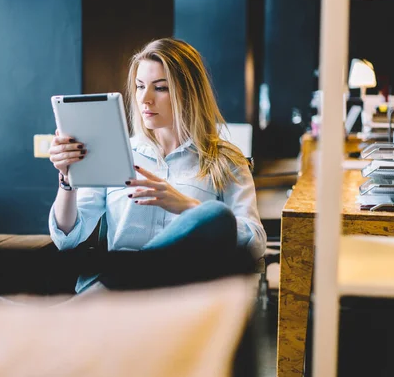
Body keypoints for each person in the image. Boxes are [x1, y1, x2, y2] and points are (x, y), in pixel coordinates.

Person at [48, 37, 266, 294]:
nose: (145, 99)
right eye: (140, 87)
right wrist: (67, 180)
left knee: (217, 217)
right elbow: (68, 237)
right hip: (121, 292)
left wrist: (187, 208)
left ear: (188, 92)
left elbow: (255, 243)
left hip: (184, 291)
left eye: (160, 88)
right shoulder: (117, 151)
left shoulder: (225, 160)